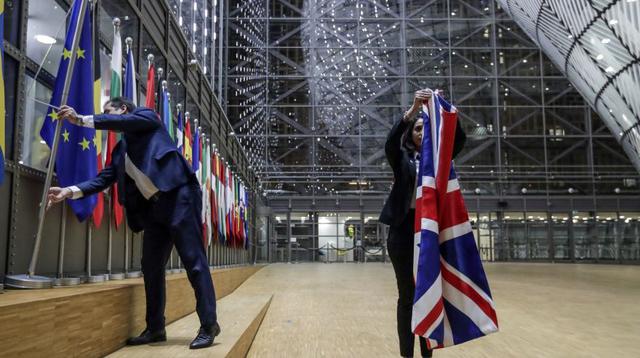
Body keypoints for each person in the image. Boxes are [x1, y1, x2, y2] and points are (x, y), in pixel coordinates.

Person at [47, 97, 220, 350]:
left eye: (109, 112)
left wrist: (81, 120)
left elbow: (124, 122)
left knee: (194, 263)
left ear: (124, 110)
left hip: (179, 196)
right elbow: (103, 179)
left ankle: (208, 325)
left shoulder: (148, 117)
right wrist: (70, 191)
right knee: (150, 267)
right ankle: (155, 328)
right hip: (154, 211)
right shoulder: (120, 151)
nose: (107, 117)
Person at [379, 89, 466, 357]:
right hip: (403, 233)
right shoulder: (402, 160)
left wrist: (447, 111)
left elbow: (458, 140)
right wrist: (412, 111)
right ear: (412, 135)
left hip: (430, 232)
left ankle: (427, 353)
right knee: (407, 297)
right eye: (416, 129)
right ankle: (407, 354)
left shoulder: (440, 161)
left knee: (428, 293)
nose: (420, 132)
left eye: (424, 128)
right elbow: (391, 143)